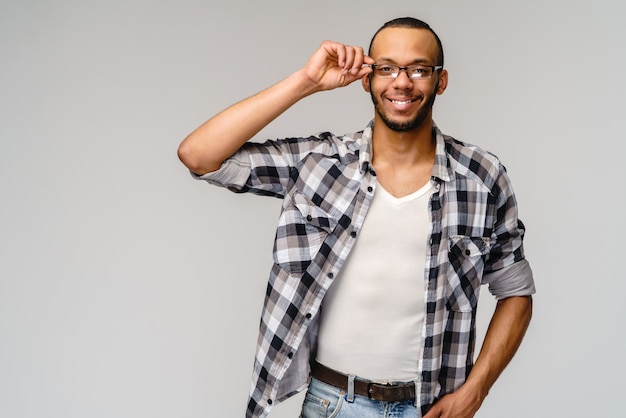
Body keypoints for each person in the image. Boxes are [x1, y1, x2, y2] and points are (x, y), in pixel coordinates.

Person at [178, 17, 535, 418]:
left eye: (418, 69)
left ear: (441, 81)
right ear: (367, 79)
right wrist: (306, 82)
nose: (402, 82)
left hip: (430, 408)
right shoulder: (319, 164)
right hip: (332, 404)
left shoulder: (482, 177)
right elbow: (200, 156)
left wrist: (477, 390)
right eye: (386, 68)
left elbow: (515, 292)